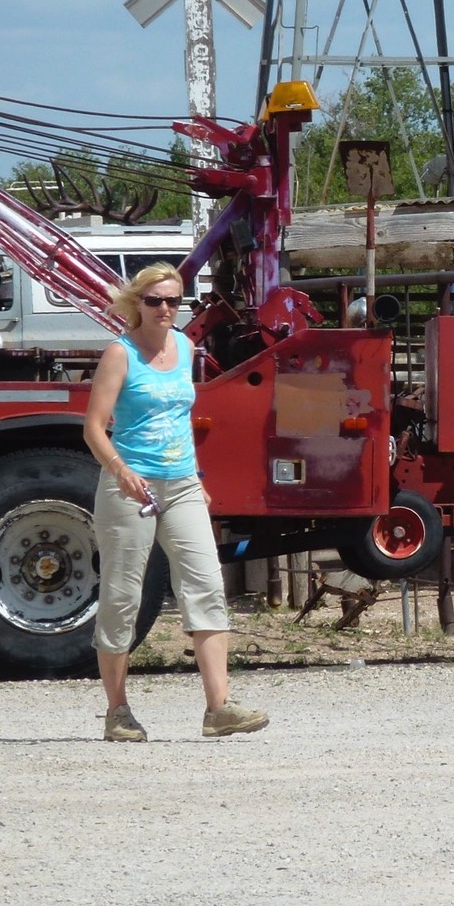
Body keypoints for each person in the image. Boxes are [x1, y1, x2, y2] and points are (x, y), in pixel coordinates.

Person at [82, 261, 268, 742]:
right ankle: (117, 711)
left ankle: (219, 708)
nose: (165, 309)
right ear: (137, 304)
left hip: (181, 482)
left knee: (206, 585)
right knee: (123, 595)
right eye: (155, 301)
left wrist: (196, 475)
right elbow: (94, 428)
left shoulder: (184, 347)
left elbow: (179, 416)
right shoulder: (120, 354)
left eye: (173, 300)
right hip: (130, 485)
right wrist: (121, 471)